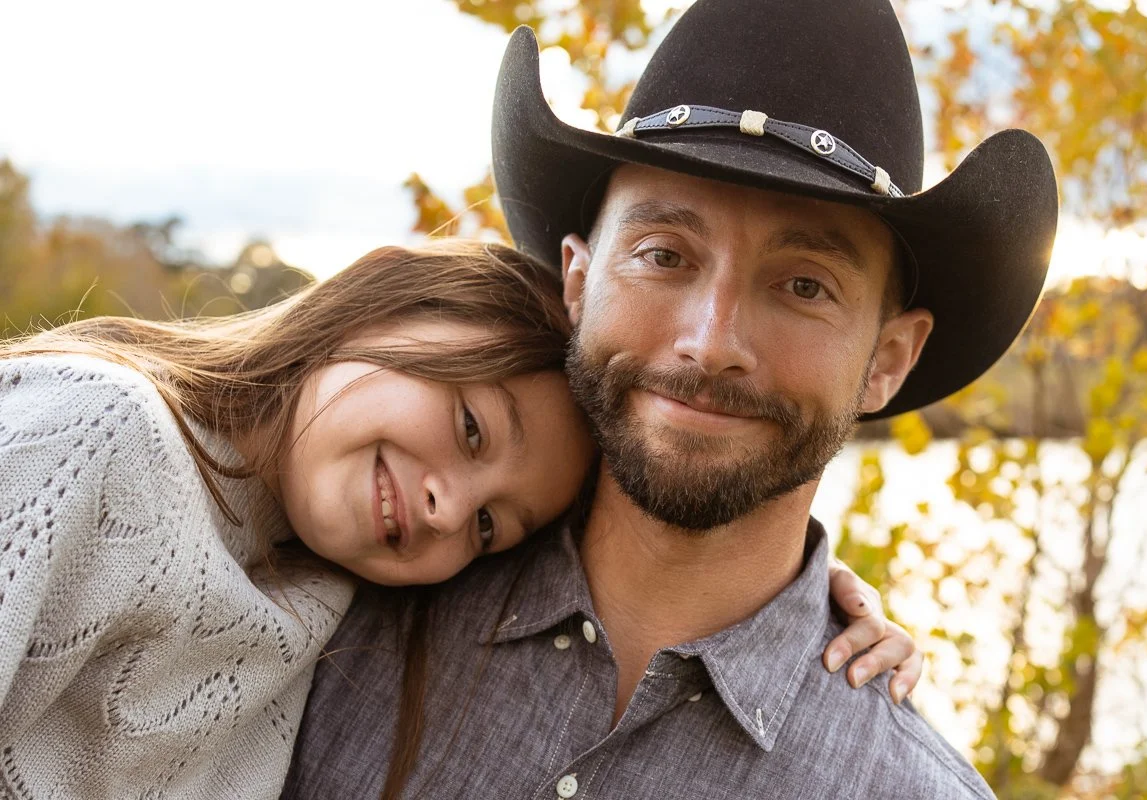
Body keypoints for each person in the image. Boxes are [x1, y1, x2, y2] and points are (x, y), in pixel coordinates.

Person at [282, 0, 1058, 798]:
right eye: (664, 255)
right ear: (579, 283)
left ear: (887, 360)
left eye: (803, 284)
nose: (712, 341)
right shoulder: (326, 606)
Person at [0, 240, 903, 798]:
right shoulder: (91, 432)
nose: (446, 508)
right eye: (470, 428)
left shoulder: (324, 601)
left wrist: (788, 605)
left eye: (489, 531)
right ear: (389, 298)